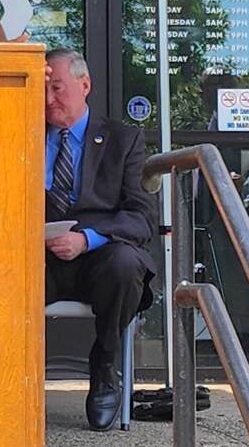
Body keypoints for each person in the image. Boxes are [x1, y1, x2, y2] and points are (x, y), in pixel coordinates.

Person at [43, 48, 156, 432]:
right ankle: (3, 374)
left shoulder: (122, 140)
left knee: (126, 264)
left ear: (84, 84)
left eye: (56, 88)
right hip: (36, 257)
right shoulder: (22, 133)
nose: (47, 100)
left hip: (98, 257)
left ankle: (105, 365)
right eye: (41, 89)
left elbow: (141, 218)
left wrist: (87, 239)